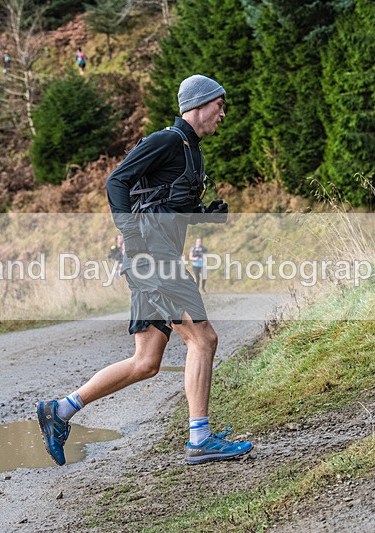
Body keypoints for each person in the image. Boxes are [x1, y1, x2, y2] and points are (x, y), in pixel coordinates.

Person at [37, 75, 251, 466]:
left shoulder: (192, 152)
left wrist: (203, 216)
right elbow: (116, 181)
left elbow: (162, 204)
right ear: (201, 104)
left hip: (154, 257)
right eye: (220, 105)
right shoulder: (167, 140)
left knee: (146, 362)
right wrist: (130, 229)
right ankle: (200, 439)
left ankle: (60, 411)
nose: (224, 113)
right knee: (203, 339)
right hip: (153, 259)